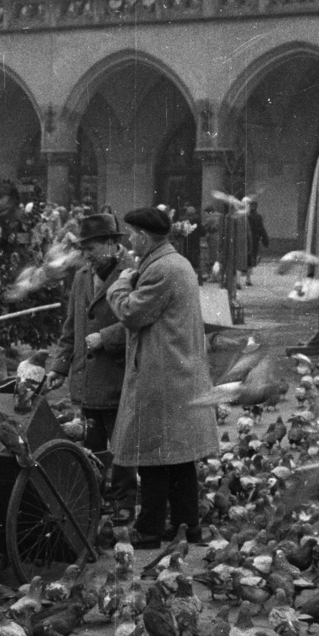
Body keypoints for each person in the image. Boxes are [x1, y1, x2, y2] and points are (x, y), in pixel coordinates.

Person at [106, 205, 219, 546]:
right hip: (178, 370)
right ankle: (188, 525)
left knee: (152, 453)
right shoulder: (176, 262)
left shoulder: (162, 270)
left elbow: (130, 312)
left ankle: (150, 528)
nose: (128, 241)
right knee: (180, 457)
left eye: (131, 235)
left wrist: (120, 283)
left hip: (163, 374)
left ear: (144, 236)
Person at [48, 212, 138, 523]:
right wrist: (59, 366)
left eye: (92, 248)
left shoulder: (133, 275)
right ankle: (97, 498)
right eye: (83, 249)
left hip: (118, 377)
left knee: (123, 444)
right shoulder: (81, 277)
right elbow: (72, 325)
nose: (86, 255)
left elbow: (141, 324)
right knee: (93, 446)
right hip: (87, 380)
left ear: (113, 244)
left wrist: (107, 338)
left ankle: (126, 500)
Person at [246, 198, 269, 286]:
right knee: (251, 258)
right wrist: (265, 240)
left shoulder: (246, 216)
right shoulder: (258, 217)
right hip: (254, 240)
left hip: (246, 239)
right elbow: (261, 229)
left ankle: (242, 278)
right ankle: (248, 278)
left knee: (246, 258)